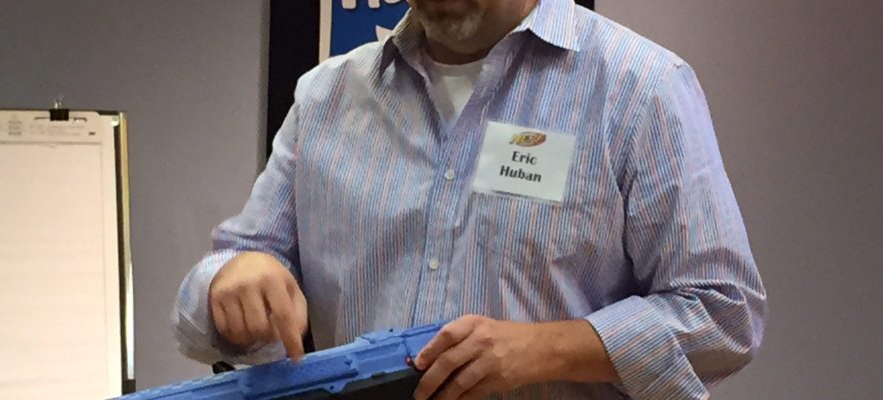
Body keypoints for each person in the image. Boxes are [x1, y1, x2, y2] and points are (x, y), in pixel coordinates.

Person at [172, 0, 767, 398]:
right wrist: (232, 278)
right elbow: (226, 279)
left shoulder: (640, 87)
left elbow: (722, 311)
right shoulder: (326, 96)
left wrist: (547, 348)